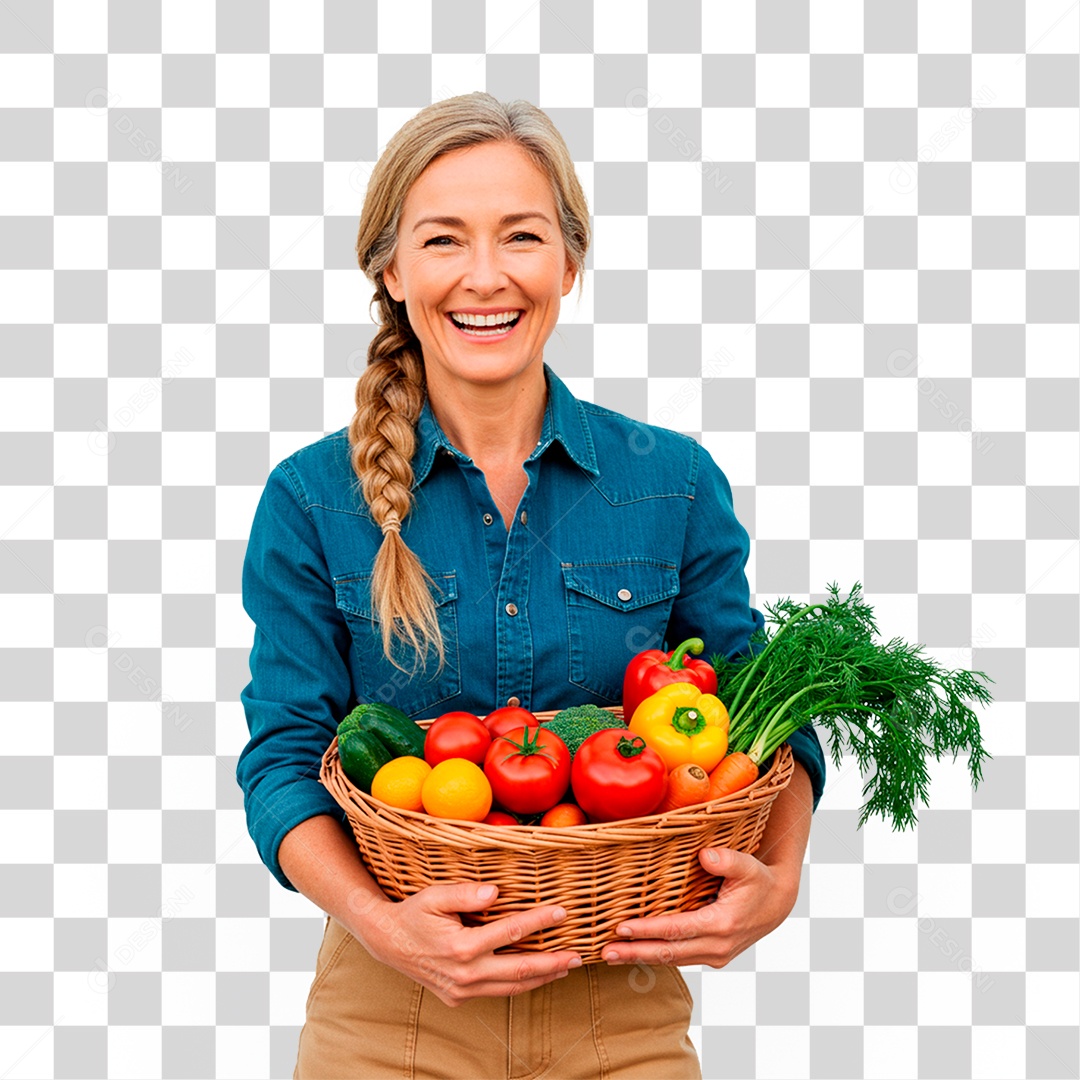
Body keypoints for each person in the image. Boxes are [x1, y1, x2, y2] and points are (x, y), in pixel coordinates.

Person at [236, 91, 827, 1079]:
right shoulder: (311, 500)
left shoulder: (670, 482)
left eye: (520, 235)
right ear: (390, 269)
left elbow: (771, 718)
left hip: (622, 1008)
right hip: (390, 1014)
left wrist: (782, 877)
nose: (485, 275)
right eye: (441, 240)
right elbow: (282, 756)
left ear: (569, 262)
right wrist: (382, 924)